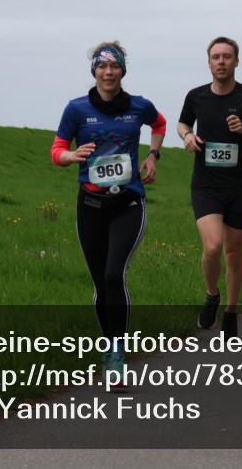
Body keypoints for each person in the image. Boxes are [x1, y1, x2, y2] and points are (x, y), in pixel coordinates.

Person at [51, 41, 166, 378]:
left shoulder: (138, 107)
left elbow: (159, 124)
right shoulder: (76, 110)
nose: (109, 72)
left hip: (128, 202)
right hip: (90, 205)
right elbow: (57, 149)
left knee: (115, 274)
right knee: (101, 282)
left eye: (114, 66)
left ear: (122, 71)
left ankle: (117, 354)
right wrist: (71, 156)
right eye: (102, 66)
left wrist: (153, 155)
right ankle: (109, 342)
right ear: (95, 71)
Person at [178, 37, 242, 338]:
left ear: (236, 62)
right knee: (213, 245)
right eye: (216, 57)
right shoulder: (196, 97)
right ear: (208, 63)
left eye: (227, 56)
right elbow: (182, 124)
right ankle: (211, 294)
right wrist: (187, 136)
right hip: (205, 184)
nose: (221, 61)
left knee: (233, 252)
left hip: (238, 186)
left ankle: (230, 311)